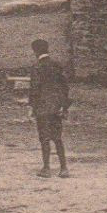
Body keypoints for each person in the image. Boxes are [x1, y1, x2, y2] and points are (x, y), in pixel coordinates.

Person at [28, 39, 71, 178]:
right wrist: (64, 107)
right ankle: (64, 168)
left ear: (35, 51)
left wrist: (32, 107)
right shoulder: (57, 66)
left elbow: (34, 89)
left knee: (44, 138)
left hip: (42, 107)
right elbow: (65, 87)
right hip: (56, 107)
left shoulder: (36, 67)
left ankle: (46, 168)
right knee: (57, 138)